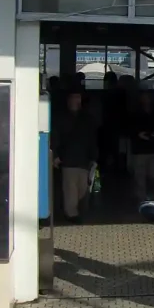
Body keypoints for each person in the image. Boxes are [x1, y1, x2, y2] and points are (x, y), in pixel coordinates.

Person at [52, 91, 98, 222]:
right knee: (70, 188)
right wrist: (56, 155)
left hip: (84, 159)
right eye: (74, 98)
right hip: (68, 159)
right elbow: (55, 137)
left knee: (82, 189)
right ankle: (71, 214)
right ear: (69, 100)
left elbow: (92, 139)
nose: (76, 101)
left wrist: (94, 157)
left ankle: (77, 212)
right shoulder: (62, 118)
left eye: (78, 98)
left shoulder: (87, 119)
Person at [131, 92, 154, 201]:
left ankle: (152, 197)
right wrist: (138, 134)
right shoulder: (135, 114)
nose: (146, 100)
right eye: (144, 97)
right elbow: (129, 128)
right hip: (140, 150)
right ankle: (142, 200)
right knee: (140, 177)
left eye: (148, 97)